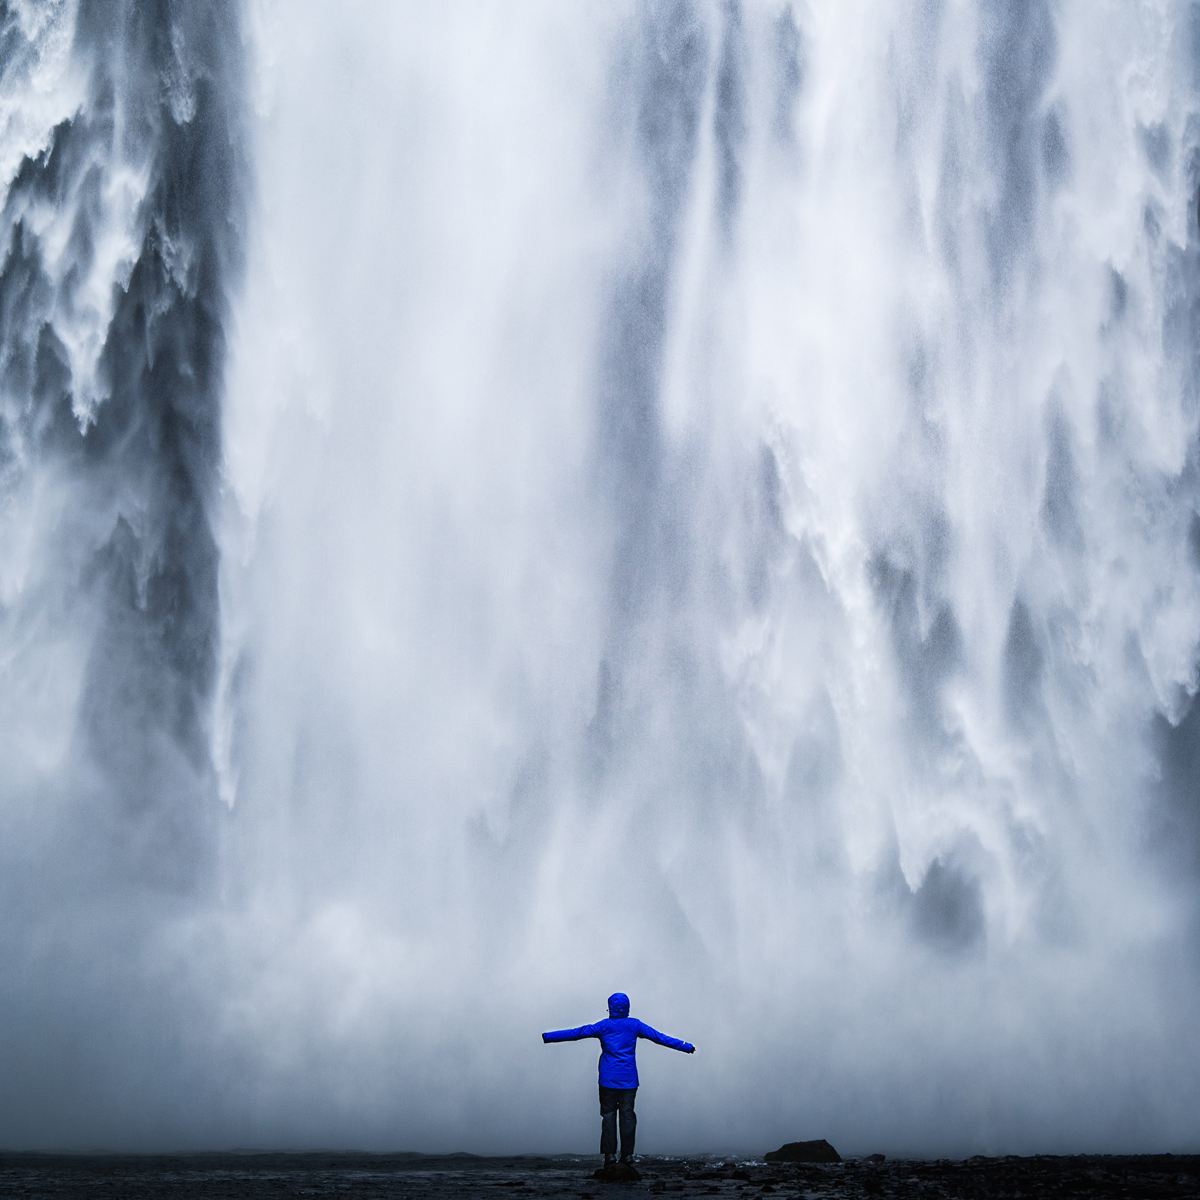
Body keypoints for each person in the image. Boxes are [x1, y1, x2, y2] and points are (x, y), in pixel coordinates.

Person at [543, 992, 695, 1167]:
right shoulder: (634, 1025)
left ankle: (610, 1156)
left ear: (610, 1007)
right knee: (628, 1115)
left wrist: (548, 1037)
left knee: (608, 1116)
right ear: (627, 1008)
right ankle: (628, 1155)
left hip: (607, 1080)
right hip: (629, 1080)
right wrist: (686, 1047)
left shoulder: (603, 1026)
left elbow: (576, 1033)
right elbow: (660, 1037)